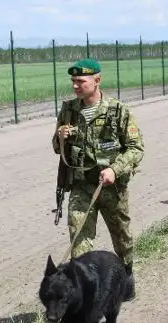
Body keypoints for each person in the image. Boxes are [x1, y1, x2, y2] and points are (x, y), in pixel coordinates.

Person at [52, 58, 145, 299]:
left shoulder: (118, 110)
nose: (75, 86)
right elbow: (56, 147)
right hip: (82, 186)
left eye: (80, 81)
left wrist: (115, 169)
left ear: (97, 80)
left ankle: (126, 273)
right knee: (78, 233)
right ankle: (84, 294)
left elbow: (136, 148)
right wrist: (59, 136)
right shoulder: (68, 110)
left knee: (121, 236)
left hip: (112, 188)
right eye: (73, 81)